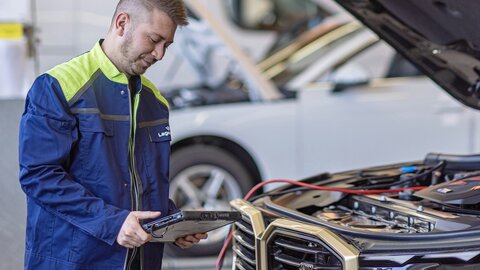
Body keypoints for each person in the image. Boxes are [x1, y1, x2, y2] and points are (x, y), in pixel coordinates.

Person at [18, 0, 207, 269]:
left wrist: (173, 222)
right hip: (73, 260)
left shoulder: (154, 101)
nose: (160, 54)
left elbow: (139, 184)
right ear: (122, 24)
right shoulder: (59, 88)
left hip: (139, 259)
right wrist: (114, 222)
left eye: (167, 45)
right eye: (154, 40)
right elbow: (39, 176)